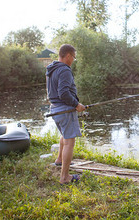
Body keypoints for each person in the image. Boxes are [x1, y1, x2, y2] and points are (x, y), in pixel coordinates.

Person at [46, 44, 86, 184]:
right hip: (65, 110)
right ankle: (64, 177)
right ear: (68, 56)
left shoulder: (52, 69)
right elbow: (63, 93)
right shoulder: (64, 70)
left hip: (55, 108)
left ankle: (59, 160)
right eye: (73, 57)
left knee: (64, 135)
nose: (73, 60)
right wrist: (77, 105)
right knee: (70, 141)